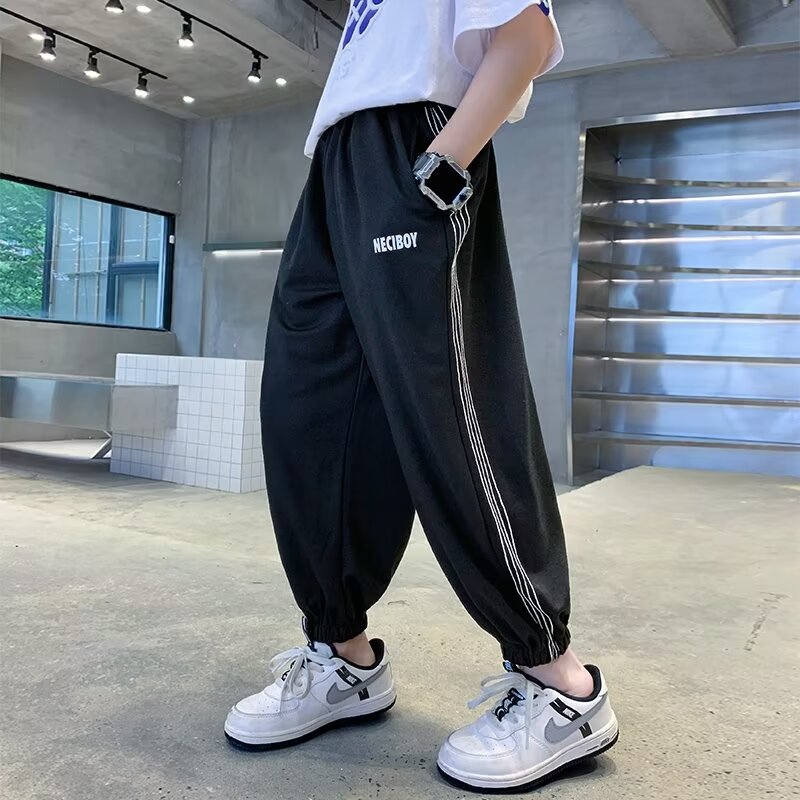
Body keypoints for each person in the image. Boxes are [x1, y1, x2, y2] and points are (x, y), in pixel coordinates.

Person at [224, 0, 618, 791]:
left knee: (452, 411)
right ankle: (343, 655)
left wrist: (444, 161)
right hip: (335, 165)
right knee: (312, 413)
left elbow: (526, 36)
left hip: (413, 143)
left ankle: (558, 681)